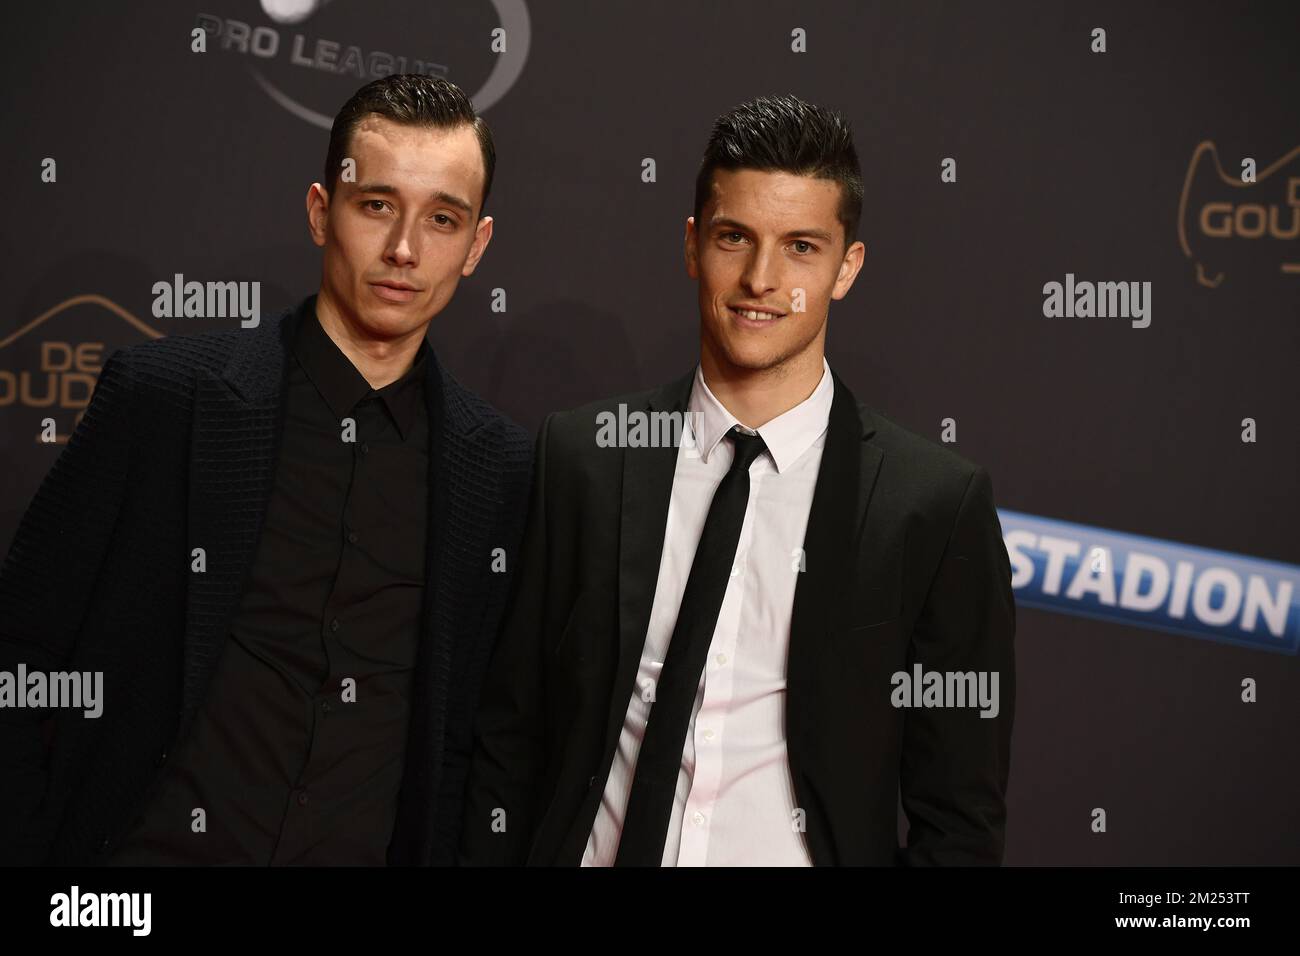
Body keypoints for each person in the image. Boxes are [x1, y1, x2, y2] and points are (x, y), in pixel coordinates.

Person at [459, 94, 1016, 866]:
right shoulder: (585, 456)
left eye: (801, 248)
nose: (762, 278)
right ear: (693, 246)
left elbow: (958, 819)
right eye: (734, 238)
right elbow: (508, 737)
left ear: (847, 266)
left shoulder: (930, 506)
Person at [0, 74, 532, 866]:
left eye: (442, 219)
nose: (405, 251)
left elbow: (478, 743)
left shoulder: (498, 470)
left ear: (477, 246)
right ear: (323, 211)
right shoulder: (164, 400)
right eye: (377, 205)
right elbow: (20, 661)